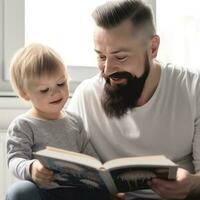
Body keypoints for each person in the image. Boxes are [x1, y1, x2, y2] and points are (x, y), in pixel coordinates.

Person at [67, 0, 200, 199]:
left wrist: (191, 184)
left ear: (153, 48)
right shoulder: (86, 96)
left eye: (120, 57)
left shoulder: (193, 88)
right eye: (101, 57)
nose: (108, 70)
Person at [6, 43, 110, 200]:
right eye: (44, 90)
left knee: (103, 191)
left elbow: (91, 157)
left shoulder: (75, 121)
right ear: (25, 94)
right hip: (45, 192)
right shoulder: (23, 125)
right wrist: (32, 167)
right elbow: (15, 160)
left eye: (61, 83)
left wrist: (106, 179)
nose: (55, 92)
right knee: (20, 192)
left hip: (78, 190)